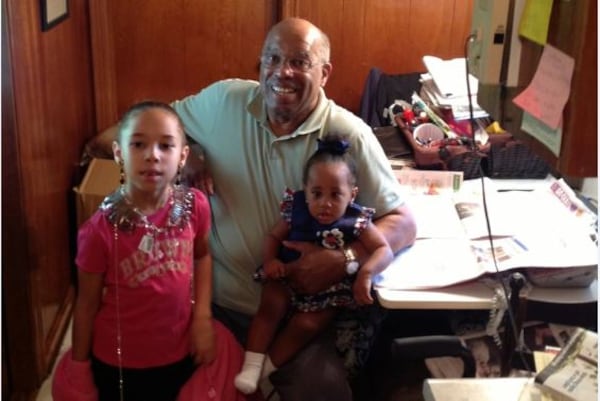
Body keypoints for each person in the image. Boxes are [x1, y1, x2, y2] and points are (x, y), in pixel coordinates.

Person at [92, 17, 416, 401]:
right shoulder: (222, 103)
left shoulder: (350, 135)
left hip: (298, 314)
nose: (283, 72)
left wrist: (343, 258)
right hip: (215, 303)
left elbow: (403, 223)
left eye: (300, 62)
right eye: (272, 59)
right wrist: (186, 151)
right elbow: (121, 136)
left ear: (325, 73)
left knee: (324, 393)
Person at [57, 101, 246, 401]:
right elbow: (86, 304)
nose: (152, 155)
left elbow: (202, 256)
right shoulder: (99, 231)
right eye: (138, 144)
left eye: (166, 146)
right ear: (119, 153)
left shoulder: (195, 205)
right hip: (121, 362)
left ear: (183, 156)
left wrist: (201, 318)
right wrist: (79, 366)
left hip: (180, 348)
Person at [234, 138, 393, 394]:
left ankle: (266, 371)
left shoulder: (357, 220)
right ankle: (251, 365)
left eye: (335, 194)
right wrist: (270, 261)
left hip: (330, 291)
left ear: (352, 194)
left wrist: (366, 272)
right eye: (316, 194)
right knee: (271, 304)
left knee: (307, 326)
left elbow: (383, 249)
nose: (324, 203)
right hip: (287, 274)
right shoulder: (296, 210)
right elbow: (273, 236)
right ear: (305, 191)